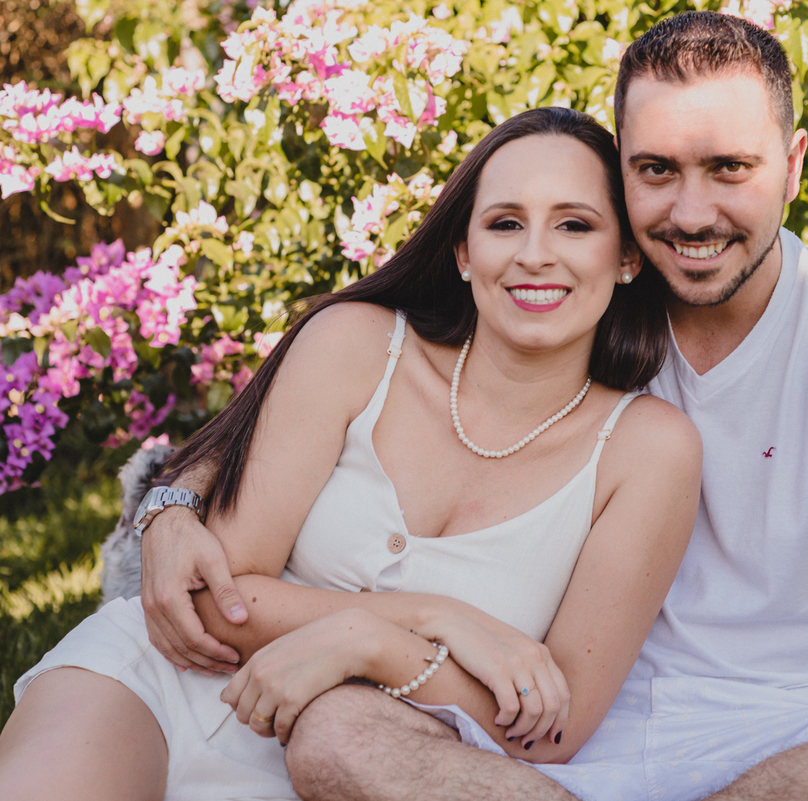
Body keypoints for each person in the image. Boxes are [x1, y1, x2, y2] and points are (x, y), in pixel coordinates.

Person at [126, 13, 808, 801]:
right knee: (338, 734)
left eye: (730, 168)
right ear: (620, 171)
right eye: (657, 170)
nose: (692, 212)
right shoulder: (572, 294)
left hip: (778, 741)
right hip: (522, 726)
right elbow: (370, 365)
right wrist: (176, 499)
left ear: (795, 165)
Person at [0, 107, 704, 801]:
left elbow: (551, 726)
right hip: (172, 687)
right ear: (464, 252)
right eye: (504, 223)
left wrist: (372, 646)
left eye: (574, 225)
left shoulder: (646, 451)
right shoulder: (359, 345)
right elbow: (217, 602)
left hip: (371, 759)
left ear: (626, 257)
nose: (535, 254)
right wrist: (435, 616)